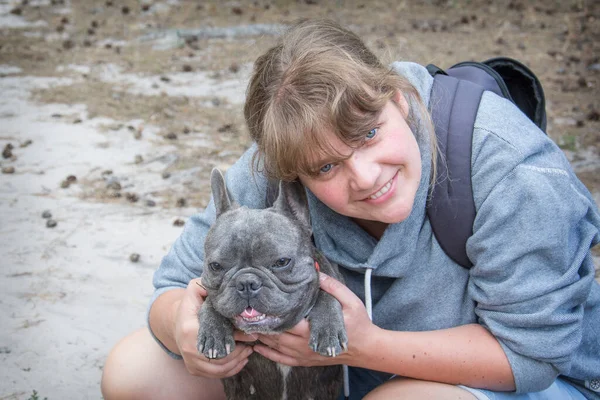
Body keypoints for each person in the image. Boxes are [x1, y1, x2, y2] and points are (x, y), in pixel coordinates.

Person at [101, 19, 600, 400]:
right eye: (324, 168)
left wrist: (365, 346)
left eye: (369, 134)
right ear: (290, 170)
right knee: (135, 373)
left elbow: (532, 356)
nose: (364, 176)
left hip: (533, 383)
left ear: (398, 98)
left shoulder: (512, 170)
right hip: (345, 374)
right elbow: (170, 289)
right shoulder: (274, 164)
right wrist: (186, 331)